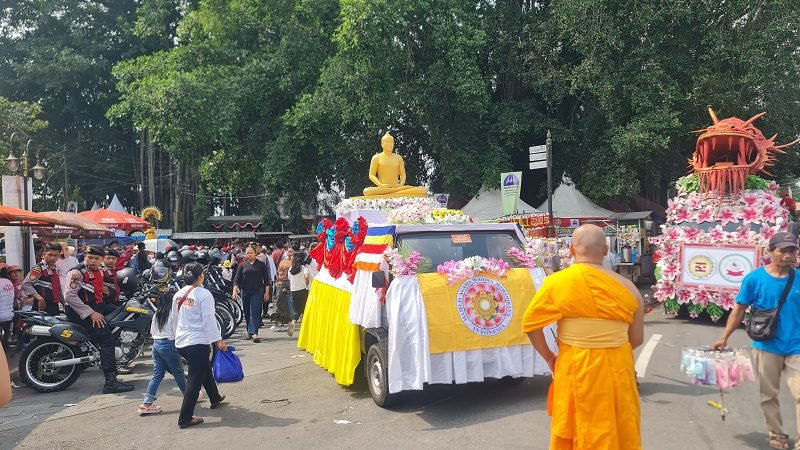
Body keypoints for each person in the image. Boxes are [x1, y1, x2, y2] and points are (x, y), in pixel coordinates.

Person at [522, 224, 644, 450]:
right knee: (617, 426)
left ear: (571, 249)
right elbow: (636, 339)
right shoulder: (630, 288)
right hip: (618, 368)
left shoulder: (557, 283)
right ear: (606, 250)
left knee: (576, 427)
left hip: (574, 365)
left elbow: (531, 325)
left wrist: (549, 357)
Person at [712, 232, 800, 450]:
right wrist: (724, 337)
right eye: (783, 251)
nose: (788, 255)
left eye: (792, 251)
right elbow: (739, 309)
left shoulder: (798, 278)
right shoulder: (754, 279)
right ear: (770, 251)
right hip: (766, 346)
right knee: (769, 395)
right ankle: (777, 434)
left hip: (796, 346)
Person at [64, 245, 133, 394]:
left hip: (97, 306)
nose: (93, 261)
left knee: (124, 312)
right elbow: (69, 296)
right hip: (80, 312)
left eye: (96, 258)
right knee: (107, 340)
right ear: (85, 257)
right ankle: (110, 382)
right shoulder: (77, 272)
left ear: (101, 259)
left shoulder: (99, 271)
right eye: (90, 257)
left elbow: (98, 291)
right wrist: (90, 313)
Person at [175, 262, 227, 429]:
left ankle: (215, 397)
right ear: (201, 276)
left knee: (204, 368)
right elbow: (209, 320)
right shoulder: (204, 294)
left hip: (181, 342)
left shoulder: (178, 294)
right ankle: (185, 418)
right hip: (197, 342)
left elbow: (175, 318)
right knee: (194, 381)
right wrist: (218, 340)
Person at [138, 287, 187, 415]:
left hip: (156, 345)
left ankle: (146, 404)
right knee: (179, 373)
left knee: (157, 374)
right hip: (168, 345)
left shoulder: (158, 313)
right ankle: (189, 396)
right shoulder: (174, 313)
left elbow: (152, 331)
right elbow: (177, 332)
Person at [232, 245, 270, 343]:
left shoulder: (261, 264)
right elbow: (237, 279)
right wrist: (234, 290)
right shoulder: (242, 265)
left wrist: (267, 292)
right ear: (245, 254)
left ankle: (254, 333)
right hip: (245, 291)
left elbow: (266, 279)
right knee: (247, 312)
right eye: (247, 253)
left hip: (257, 290)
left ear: (255, 253)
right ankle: (249, 332)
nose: (249, 255)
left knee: (255, 311)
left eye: (251, 253)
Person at [21, 243, 65, 316]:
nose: (52, 258)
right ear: (43, 254)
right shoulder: (39, 269)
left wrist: (64, 304)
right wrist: (40, 298)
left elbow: (58, 288)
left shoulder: (55, 269)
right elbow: (26, 284)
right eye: (50, 255)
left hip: (54, 306)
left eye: (56, 255)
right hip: (41, 306)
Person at [273, 248, 296, 333]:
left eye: (292, 251)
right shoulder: (283, 262)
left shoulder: (296, 262)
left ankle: (289, 322)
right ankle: (277, 324)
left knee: (289, 305)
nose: (290, 253)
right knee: (278, 309)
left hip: (291, 283)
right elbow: (279, 272)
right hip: (282, 284)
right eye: (289, 251)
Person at [288, 246, 309, 336]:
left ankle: (293, 322)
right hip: (303, 290)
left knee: (296, 310)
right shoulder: (303, 268)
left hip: (294, 291)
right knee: (304, 309)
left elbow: (289, 279)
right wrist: (306, 282)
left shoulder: (290, 269)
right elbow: (307, 276)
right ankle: (304, 328)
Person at [0, 269, 14, 350]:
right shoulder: (9, 282)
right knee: (7, 330)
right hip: (9, 314)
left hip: (0, 315)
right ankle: (5, 347)